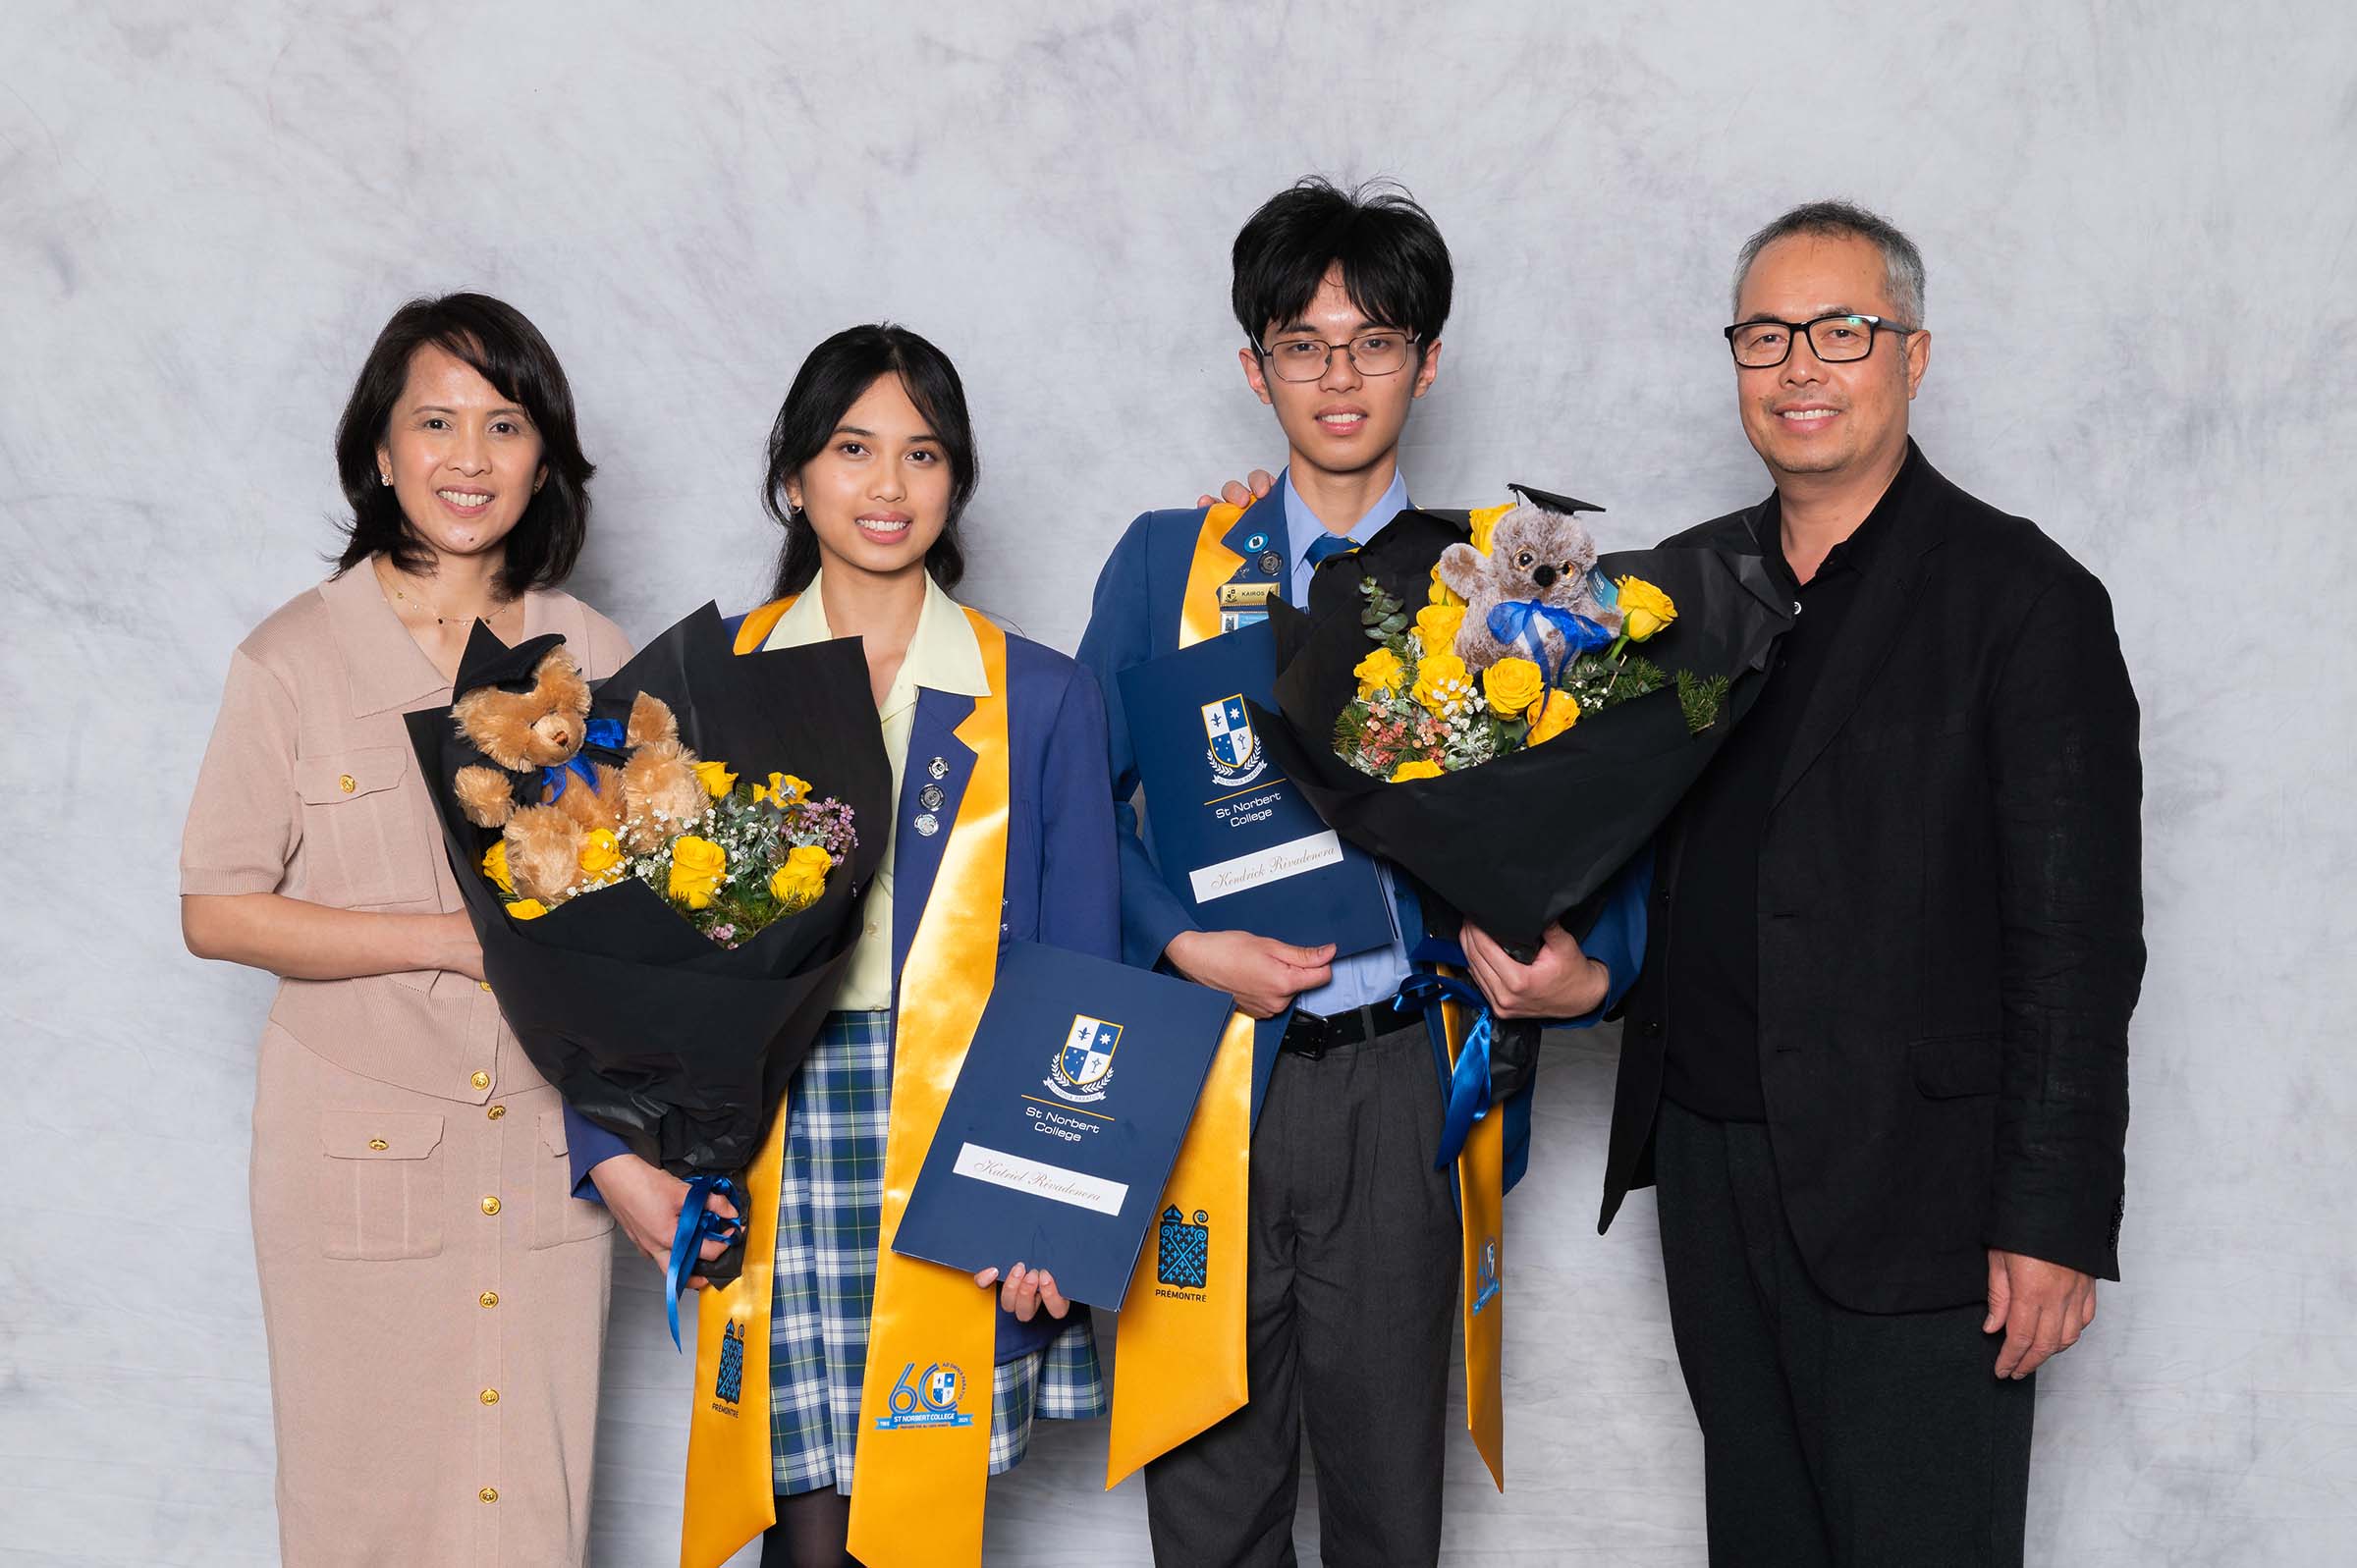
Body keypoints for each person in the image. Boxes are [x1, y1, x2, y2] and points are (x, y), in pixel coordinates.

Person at [1077, 179, 1644, 1567]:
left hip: (1402, 1083)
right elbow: (1070, 809)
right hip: (1207, 1080)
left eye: (1374, 341)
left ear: (1427, 361)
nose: (1339, 377)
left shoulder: (1501, 581)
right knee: (1208, 1508)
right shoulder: (1170, 563)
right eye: (1304, 344)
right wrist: (1177, 943)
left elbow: (1610, 810)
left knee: (1387, 1510)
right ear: (1254, 365)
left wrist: (1594, 968)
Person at [1600, 201, 2144, 1565]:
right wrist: (1579, 970)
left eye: (1841, 332)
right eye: (1766, 336)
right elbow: (1640, 853)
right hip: (1710, 1165)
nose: (1800, 367)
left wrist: (2053, 1218)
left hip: (1923, 1193)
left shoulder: (2024, 599)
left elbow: (2078, 944)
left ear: (1914, 354)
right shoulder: (1684, 587)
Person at [566, 324, 1118, 1568]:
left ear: (957, 478)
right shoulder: (702, 681)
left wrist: (1054, 1207)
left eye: (922, 453)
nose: (888, 485)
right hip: (771, 1129)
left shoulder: (1041, 695)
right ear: (794, 474)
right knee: (805, 1529)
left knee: (916, 1528)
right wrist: (609, 1150)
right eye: (853, 449)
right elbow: (598, 948)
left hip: (962, 1128)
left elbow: (1084, 975)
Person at [180, 294, 627, 1565]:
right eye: (436, 423)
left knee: (529, 1516)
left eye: (505, 425)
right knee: (361, 1513)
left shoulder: (591, 653)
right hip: (354, 1153)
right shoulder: (292, 658)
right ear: (381, 451)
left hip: (543, 1147)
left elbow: (642, 908)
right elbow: (215, 907)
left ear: (544, 460)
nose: (469, 458)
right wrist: (445, 936)